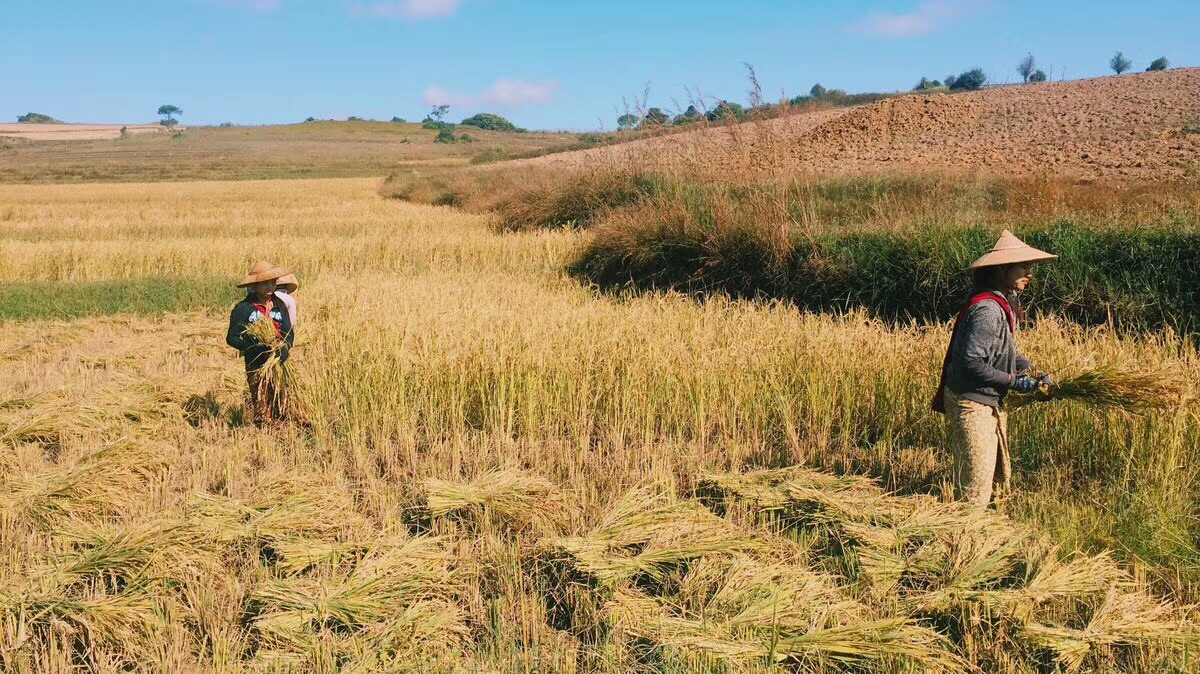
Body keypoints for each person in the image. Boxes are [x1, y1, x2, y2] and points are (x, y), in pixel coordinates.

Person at [932, 230, 1057, 506]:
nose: (1030, 273)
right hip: (971, 402)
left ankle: (982, 536)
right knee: (974, 489)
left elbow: (1006, 351)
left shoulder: (1001, 304)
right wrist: (1016, 381)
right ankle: (963, 540)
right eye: (1024, 267)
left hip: (987, 399)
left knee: (994, 480)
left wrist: (1035, 373)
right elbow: (970, 362)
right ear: (1003, 268)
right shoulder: (988, 310)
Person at [226, 261, 295, 425]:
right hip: (256, 364)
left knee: (283, 402)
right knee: (262, 408)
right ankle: (263, 434)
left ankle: (283, 435)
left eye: (272, 282)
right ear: (255, 285)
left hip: (279, 362)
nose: (269, 287)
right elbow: (232, 337)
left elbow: (288, 332)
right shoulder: (243, 309)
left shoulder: (280, 305)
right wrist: (251, 347)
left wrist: (285, 348)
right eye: (264, 283)